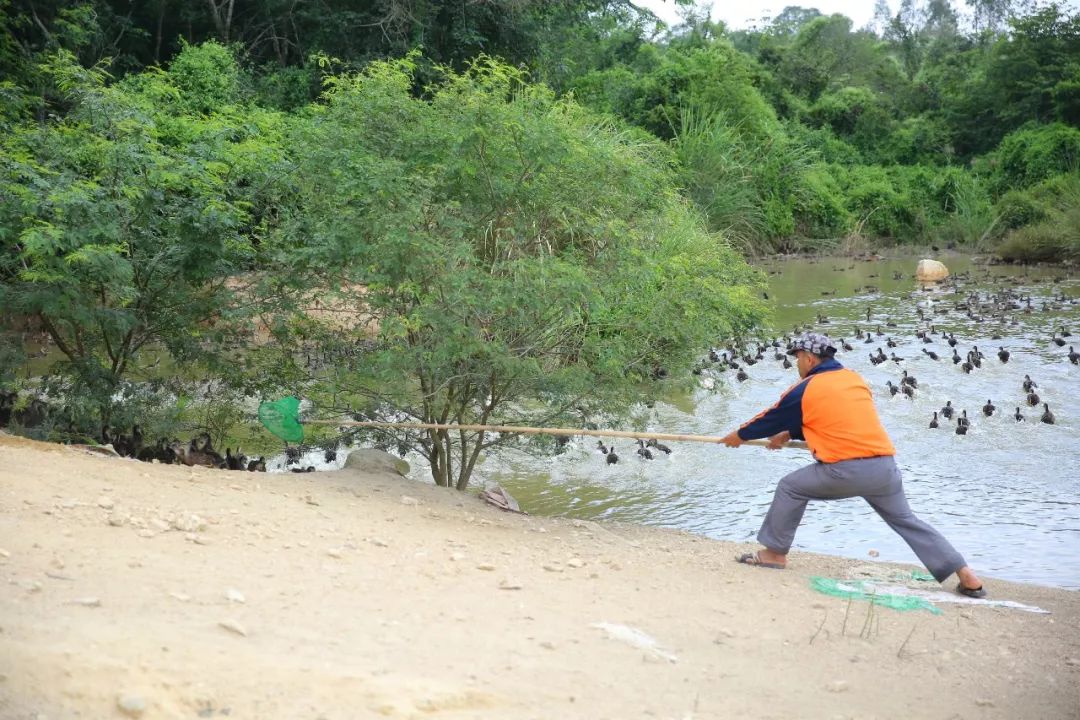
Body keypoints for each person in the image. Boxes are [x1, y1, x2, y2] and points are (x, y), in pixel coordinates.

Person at [720, 331, 986, 598]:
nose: (797, 364)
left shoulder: (807, 386)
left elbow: (772, 417)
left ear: (810, 359)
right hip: (885, 469)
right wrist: (790, 433)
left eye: (798, 357)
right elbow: (835, 419)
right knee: (906, 520)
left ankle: (774, 555)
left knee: (790, 487)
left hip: (846, 470)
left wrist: (739, 435)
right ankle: (967, 576)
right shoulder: (853, 379)